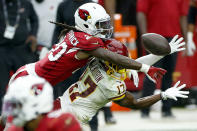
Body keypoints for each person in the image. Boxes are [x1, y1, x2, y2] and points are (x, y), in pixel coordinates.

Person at [8, 3, 166, 92]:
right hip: (30, 81)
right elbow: (113, 57)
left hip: (34, 77)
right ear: (86, 24)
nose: (105, 28)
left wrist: (135, 65)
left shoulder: (78, 34)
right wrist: (144, 68)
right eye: (100, 25)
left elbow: (117, 59)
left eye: (105, 23)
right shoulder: (86, 42)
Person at [53, 39, 188, 128]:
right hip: (68, 121)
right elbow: (135, 104)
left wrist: (162, 54)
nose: (126, 61)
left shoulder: (96, 60)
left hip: (57, 105)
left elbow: (132, 64)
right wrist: (163, 95)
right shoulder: (111, 85)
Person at [137, 0, 190, 117]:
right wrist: (145, 37)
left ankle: (167, 110)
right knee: (151, 74)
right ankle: (145, 110)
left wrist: (186, 40)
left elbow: (183, 16)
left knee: (169, 75)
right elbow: (141, 13)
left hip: (173, 38)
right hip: (154, 38)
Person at [1, 76, 81, 131]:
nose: (12, 110)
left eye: (18, 104)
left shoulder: (61, 122)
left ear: (37, 104)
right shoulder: (16, 125)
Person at [0, 0, 38, 112]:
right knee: (1, 86)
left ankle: (27, 113)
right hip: (2, 49)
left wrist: (33, 35)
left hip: (21, 48)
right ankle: (3, 116)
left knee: (25, 83)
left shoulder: (26, 3)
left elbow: (34, 20)